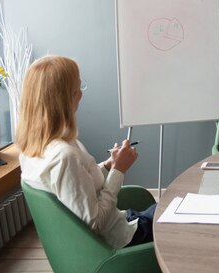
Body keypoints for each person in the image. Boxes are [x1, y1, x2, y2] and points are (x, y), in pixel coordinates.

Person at [16, 56, 155, 249]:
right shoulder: (64, 156)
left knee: (166, 209)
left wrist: (109, 165)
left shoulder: (33, 151)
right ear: (62, 100)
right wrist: (119, 170)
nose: (81, 94)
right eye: (76, 90)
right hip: (124, 241)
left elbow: (77, 186)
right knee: (178, 213)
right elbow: (96, 222)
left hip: (123, 223)